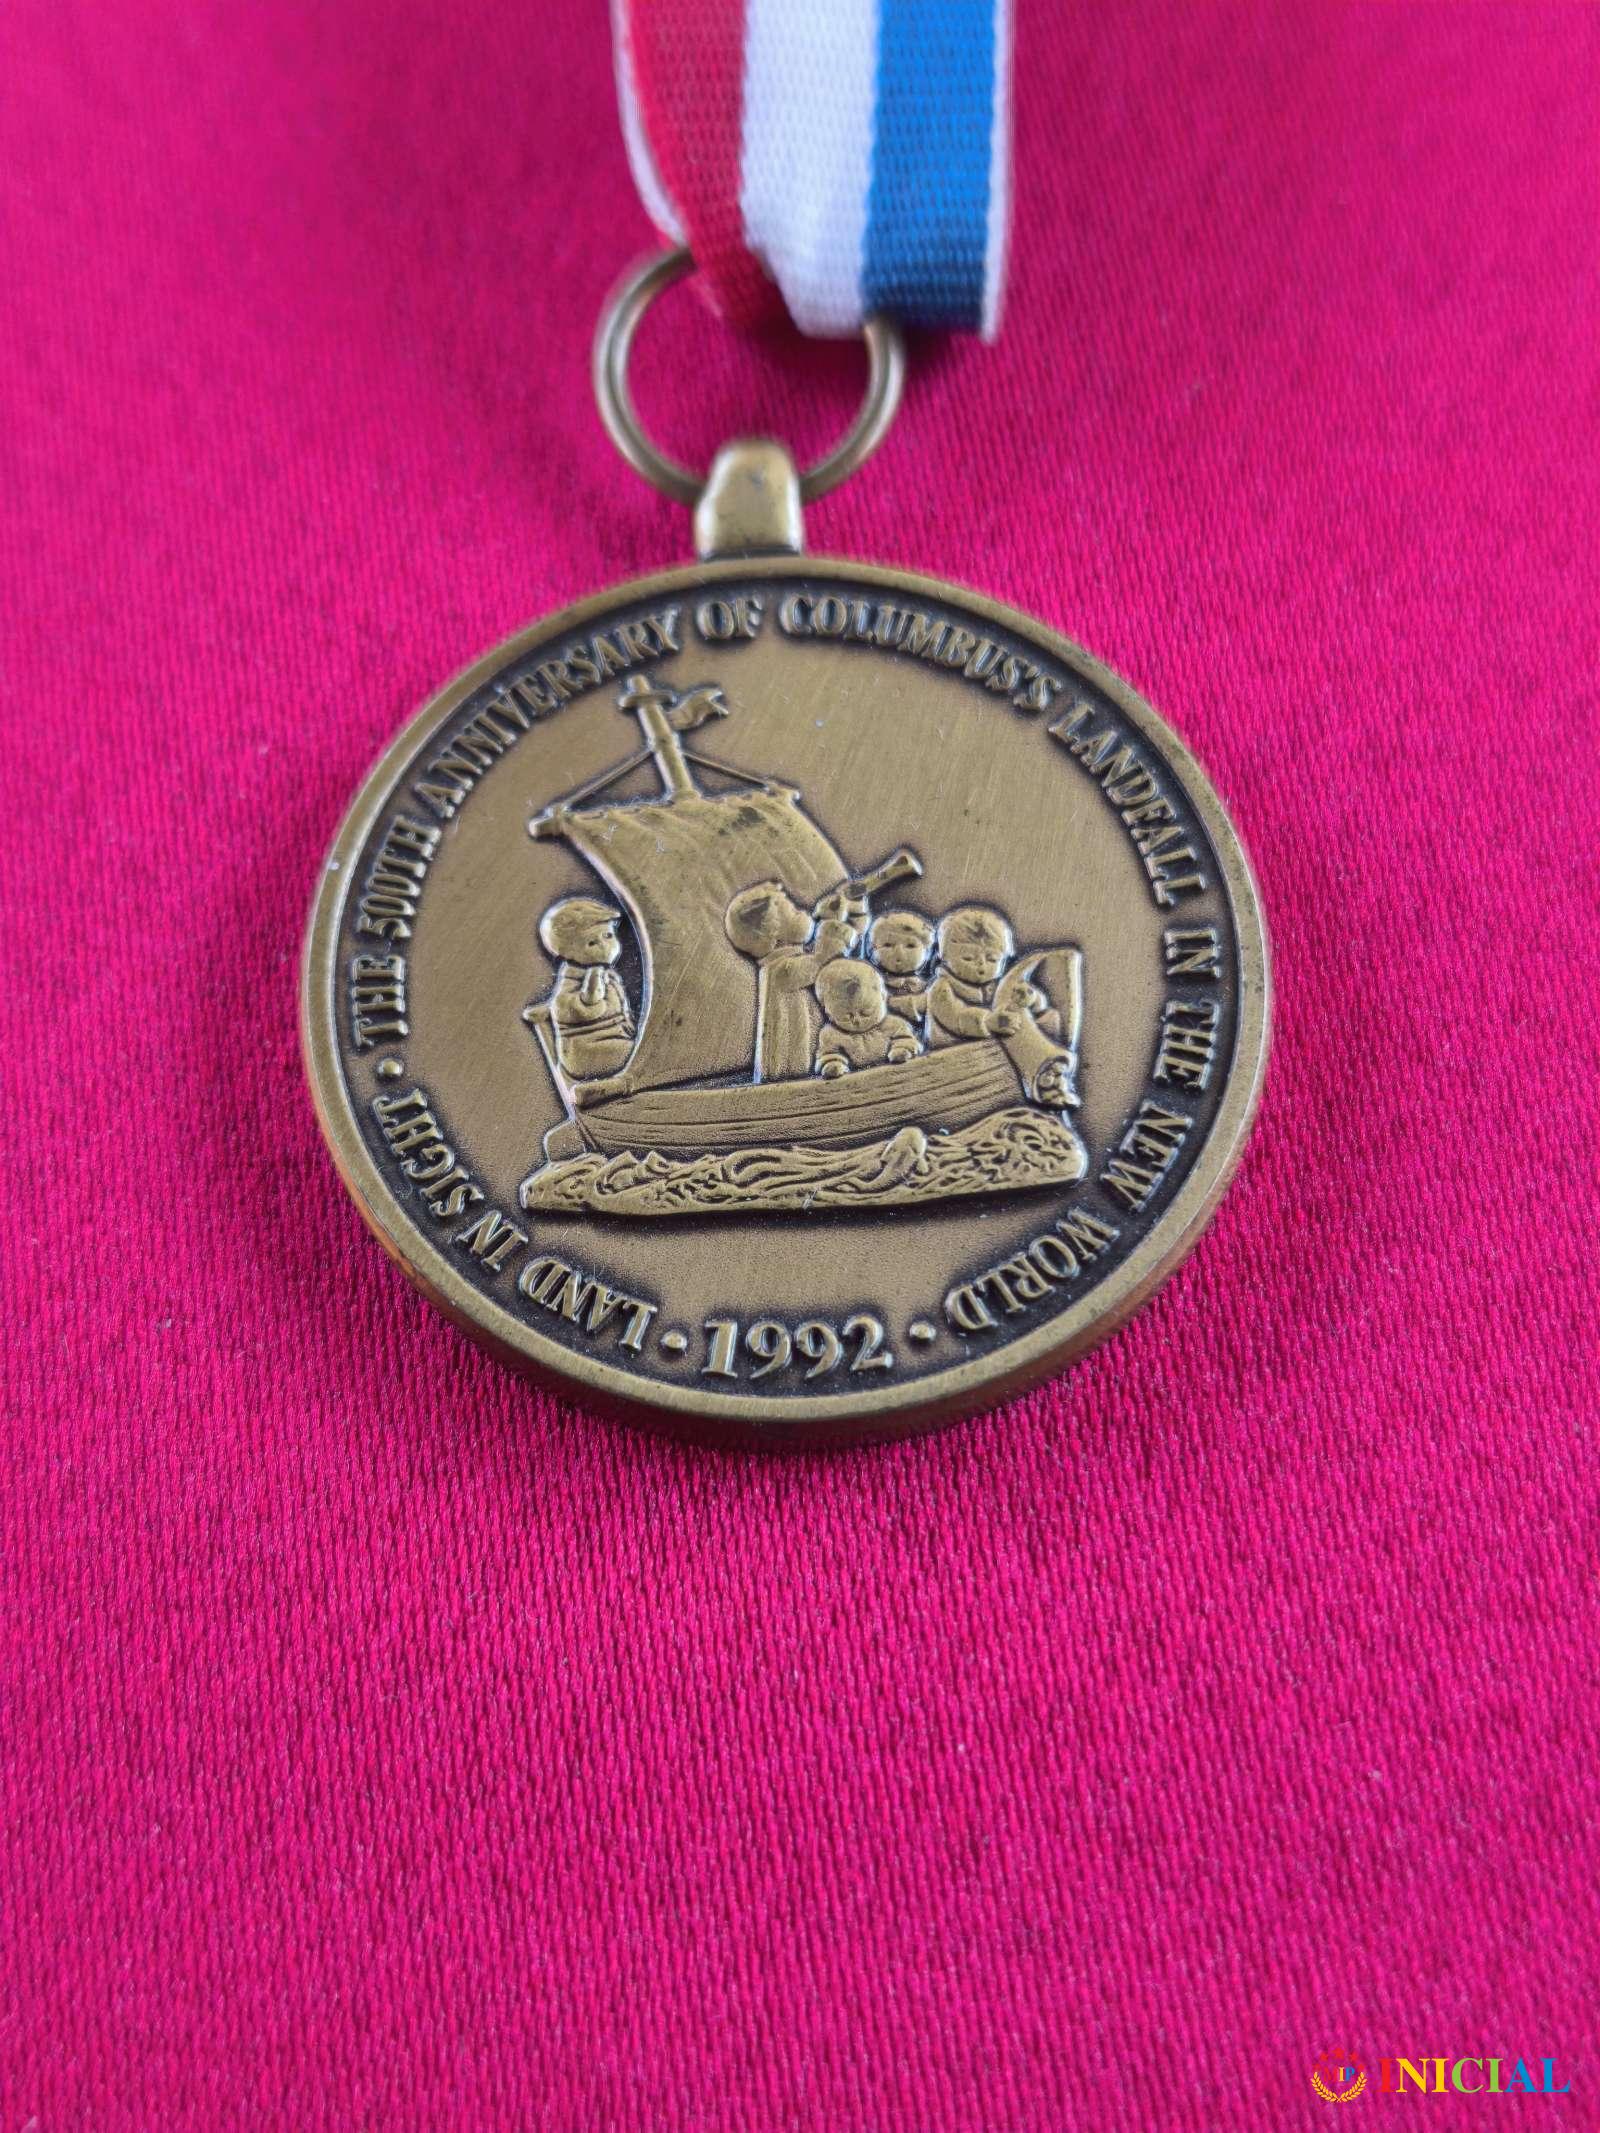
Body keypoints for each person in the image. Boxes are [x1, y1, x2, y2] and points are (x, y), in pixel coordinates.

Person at [725, 880, 866, 1082]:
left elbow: (844, 958)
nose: (803, 912)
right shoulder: (780, 972)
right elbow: (828, 959)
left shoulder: (796, 960)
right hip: (795, 1073)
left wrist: (856, 911)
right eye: (794, 911)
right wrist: (832, 920)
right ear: (772, 932)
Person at [528, 896, 634, 1079]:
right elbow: (580, 1008)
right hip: (586, 1052)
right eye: (592, 943)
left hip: (614, 1039)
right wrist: (592, 990)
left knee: (648, 1047)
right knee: (644, 1054)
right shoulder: (574, 981)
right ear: (568, 952)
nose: (604, 946)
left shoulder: (606, 974)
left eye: (608, 936)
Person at [926, 905, 1051, 1046]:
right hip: (953, 1051)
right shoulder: (942, 988)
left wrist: (1033, 999)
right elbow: (955, 1017)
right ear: (944, 957)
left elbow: (1035, 1006)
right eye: (968, 958)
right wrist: (986, 1022)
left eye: (992, 959)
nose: (982, 966)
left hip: (996, 1048)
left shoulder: (1000, 984)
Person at [813, 959, 921, 1078]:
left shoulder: (894, 1025)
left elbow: (909, 1041)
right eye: (846, 1016)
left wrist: (901, 1049)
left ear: (883, 997)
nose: (857, 1020)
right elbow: (826, 1055)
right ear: (828, 1013)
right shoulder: (831, 1035)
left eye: (866, 1012)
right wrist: (833, 1063)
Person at [866, 910, 936, 1033]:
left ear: (927, 951)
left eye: (910, 946)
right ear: (872, 949)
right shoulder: (871, 984)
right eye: (888, 945)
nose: (899, 953)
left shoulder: (928, 988)